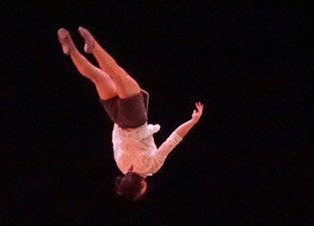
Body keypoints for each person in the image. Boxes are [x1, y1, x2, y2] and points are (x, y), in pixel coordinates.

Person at [57, 26, 204, 200]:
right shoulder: (121, 165)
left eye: (143, 190)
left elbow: (173, 139)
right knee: (96, 77)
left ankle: (93, 47)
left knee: (118, 74)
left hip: (134, 119)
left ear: (141, 185)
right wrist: (118, 115)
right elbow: (115, 138)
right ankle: (72, 51)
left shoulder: (151, 167)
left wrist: (193, 120)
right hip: (116, 117)